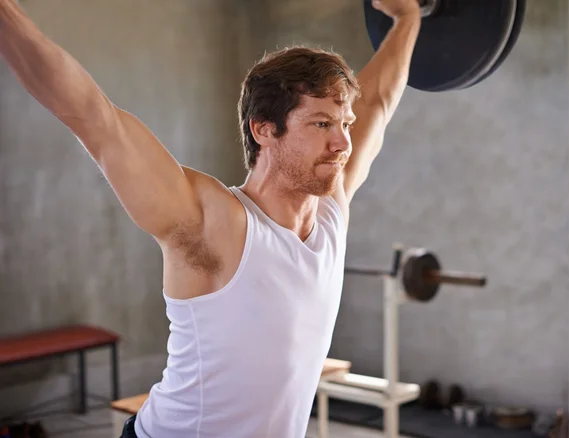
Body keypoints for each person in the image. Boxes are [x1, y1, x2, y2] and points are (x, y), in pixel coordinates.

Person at [0, 0, 421, 436]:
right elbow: (94, 118)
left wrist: (407, 19)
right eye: (320, 124)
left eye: (344, 124)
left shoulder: (331, 208)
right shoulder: (214, 223)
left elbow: (380, 100)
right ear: (264, 130)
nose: (342, 143)